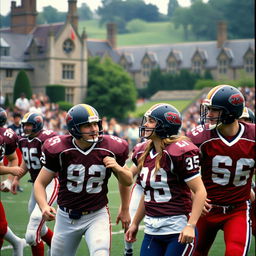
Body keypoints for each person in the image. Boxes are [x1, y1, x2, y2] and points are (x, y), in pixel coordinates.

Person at [34, 103, 133, 256]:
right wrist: (43, 206)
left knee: (100, 253)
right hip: (66, 216)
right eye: (87, 125)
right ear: (74, 128)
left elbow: (127, 181)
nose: (94, 129)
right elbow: (40, 183)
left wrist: (118, 169)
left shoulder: (111, 147)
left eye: (95, 124)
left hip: (97, 214)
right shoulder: (59, 149)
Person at [123, 103, 206, 256]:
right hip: (152, 230)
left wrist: (191, 225)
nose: (146, 124)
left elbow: (200, 191)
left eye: (151, 121)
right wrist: (135, 223)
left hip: (178, 229)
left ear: (165, 125)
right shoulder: (143, 152)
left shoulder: (179, 151)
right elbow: (148, 194)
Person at [186, 85, 255, 256]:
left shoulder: (252, 137)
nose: (209, 114)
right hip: (206, 209)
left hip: (237, 209)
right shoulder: (199, 137)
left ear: (231, 113)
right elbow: (182, 172)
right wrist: (193, 195)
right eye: (208, 109)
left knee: (235, 252)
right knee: (195, 252)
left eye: (215, 110)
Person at [11, 112, 59, 256]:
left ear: (37, 124)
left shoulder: (46, 138)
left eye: (29, 125)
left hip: (51, 183)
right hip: (37, 186)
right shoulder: (24, 140)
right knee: (40, 227)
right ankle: (55, 248)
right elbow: (27, 160)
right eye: (25, 125)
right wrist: (16, 178)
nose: (26, 128)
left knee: (32, 232)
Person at [0, 134, 27, 256]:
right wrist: (11, 170)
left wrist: (10, 180)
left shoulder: (5, 137)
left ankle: (17, 243)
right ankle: (17, 242)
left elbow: (13, 158)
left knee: (1, 226)